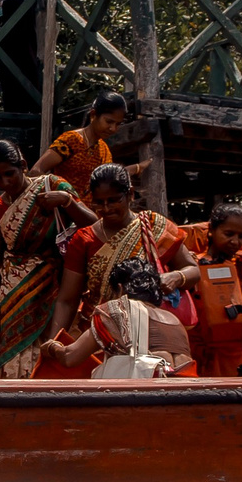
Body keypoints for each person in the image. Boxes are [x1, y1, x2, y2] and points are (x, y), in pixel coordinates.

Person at [42, 163, 199, 380]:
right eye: (99, 202)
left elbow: (193, 269)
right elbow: (67, 299)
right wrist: (54, 341)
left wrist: (175, 277)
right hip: (98, 334)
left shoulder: (153, 227)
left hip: (147, 332)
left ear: (130, 195)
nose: (106, 209)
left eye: (114, 200)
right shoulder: (85, 239)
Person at [0, 138, 95, 379]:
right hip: (15, 294)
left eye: (10, 173)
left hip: (59, 286)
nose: (5, 182)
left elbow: (95, 225)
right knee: (16, 358)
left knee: (55, 347)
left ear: (23, 165)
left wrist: (66, 202)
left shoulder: (53, 186)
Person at [42, 259, 198, 376]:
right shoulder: (175, 320)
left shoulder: (117, 310)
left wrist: (51, 346)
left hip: (144, 400)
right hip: (184, 397)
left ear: (120, 288)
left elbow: (70, 357)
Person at [179, 203, 242, 376]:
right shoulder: (192, 266)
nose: (235, 241)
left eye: (241, 236)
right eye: (228, 234)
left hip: (238, 354)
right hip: (201, 353)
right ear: (212, 230)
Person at [33, 89, 150, 193]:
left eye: (118, 124)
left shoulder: (104, 150)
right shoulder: (72, 140)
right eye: (109, 122)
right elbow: (36, 171)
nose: (113, 128)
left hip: (90, 216)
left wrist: (138, 168)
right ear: (93, 115)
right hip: (63, 212)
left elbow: (110, 178)